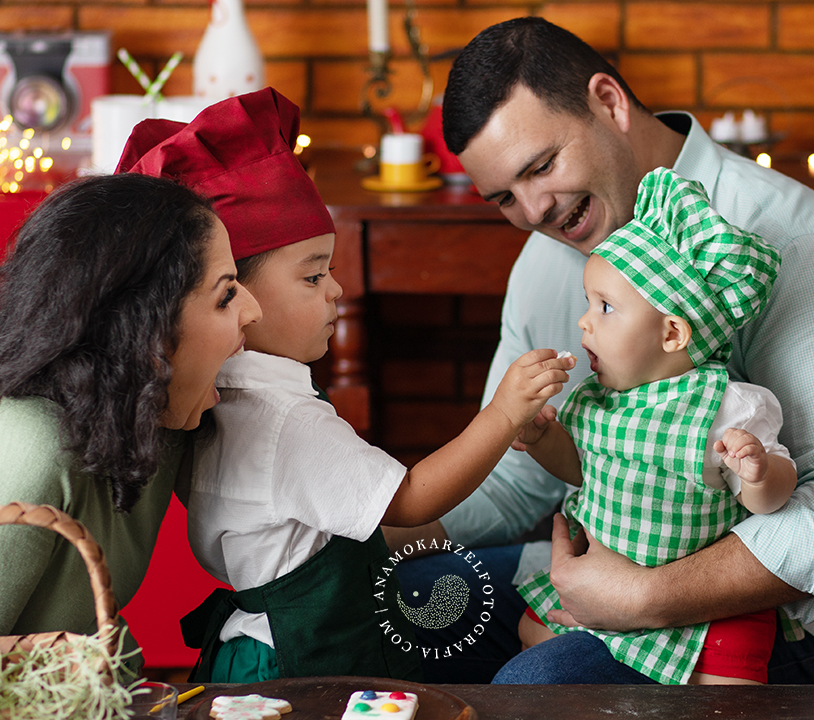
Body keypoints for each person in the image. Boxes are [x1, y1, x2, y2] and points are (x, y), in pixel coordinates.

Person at [391, 16, 814, 684]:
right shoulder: (547, 261)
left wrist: (645, 597)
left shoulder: (804, 244)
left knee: (535, 689)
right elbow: (519, 481)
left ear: (609, 103)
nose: (534, 211)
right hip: (600, 570)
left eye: (541, 167)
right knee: (392, 605)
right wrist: (371, 537)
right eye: (504, 199)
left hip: (800, 631)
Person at [114, 87, 576, 684]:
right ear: (238, 296)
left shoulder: (223, 398)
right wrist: (503, 414)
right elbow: (410, 499)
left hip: (266, 641)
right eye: (313, 277)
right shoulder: (284, 421)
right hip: (307, 660)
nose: (336, 290)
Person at [0, 173, 262, 720]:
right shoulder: (21, 441)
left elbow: (91, 631)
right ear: (145, 330)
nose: (253, 311)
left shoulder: (155, 420)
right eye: (226, 295)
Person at [514, 166, 795, 685]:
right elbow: (579, 468)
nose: (584, 321)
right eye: (588, 302)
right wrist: (541, 438)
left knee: (729, 685)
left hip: (700, 605)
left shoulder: (725, 406)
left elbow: (772, 501)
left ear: (671, 334)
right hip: (598, 576)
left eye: (604, 307)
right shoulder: (598, 398)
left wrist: (759, 473)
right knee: (529, 630)